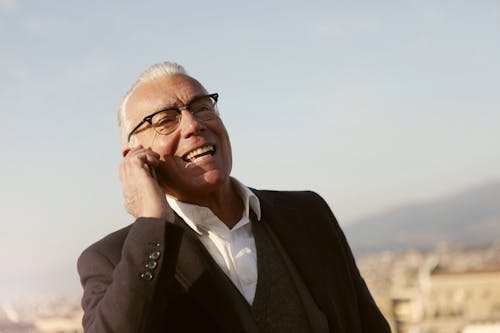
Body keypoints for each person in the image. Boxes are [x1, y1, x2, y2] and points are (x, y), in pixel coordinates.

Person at [77, 61, 391, 333]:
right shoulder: (112, 260)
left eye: (201, 107)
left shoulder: (308, 214)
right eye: (165, 120)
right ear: (135, 157)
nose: (193, 125)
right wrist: (151, 224)